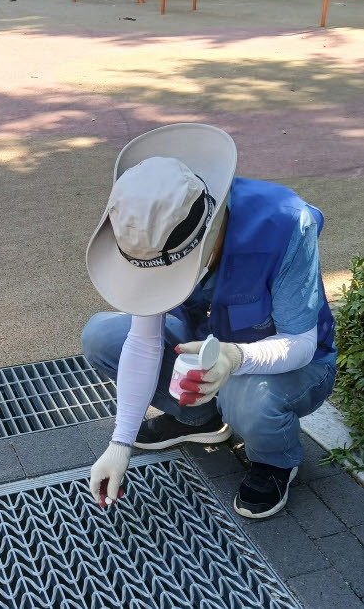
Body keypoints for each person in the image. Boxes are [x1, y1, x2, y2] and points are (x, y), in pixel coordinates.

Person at [83, 123, 336, 519]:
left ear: (212, 226)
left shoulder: (286, 222)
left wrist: (234, 359)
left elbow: (301, 343)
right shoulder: (150, 227)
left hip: (293, 362)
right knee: (102, 336)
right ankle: (199, 418)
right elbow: (144, 341)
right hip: (206, 341)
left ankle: (275, 461)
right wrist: (120, 443)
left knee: (246, 398)